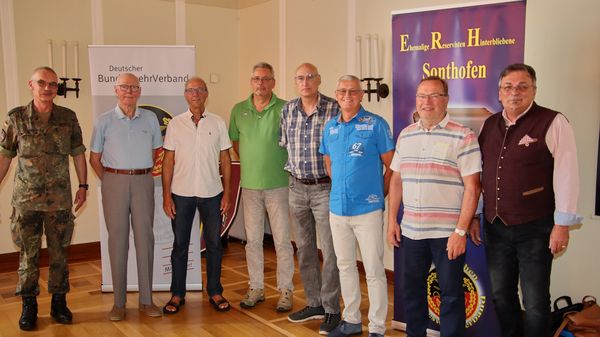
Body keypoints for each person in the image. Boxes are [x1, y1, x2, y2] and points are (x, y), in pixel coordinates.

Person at [471, 63, 581, 337]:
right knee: (500, 295)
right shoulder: (488, 124)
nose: (515, 92)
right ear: (499, 93)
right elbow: (483, 173)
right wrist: (476, 214)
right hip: (496, 227)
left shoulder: (553, 121)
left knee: (534, 301)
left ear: (534, 90)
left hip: (536, 227)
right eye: (508, 87)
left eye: (522, 86)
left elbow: (567, 173)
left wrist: (562, 224)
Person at [387, 76, 482, 337]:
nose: (426, 102)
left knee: (451, 296)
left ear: (446, 100)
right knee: (411, 292)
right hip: (411, 232)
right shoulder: (406, 135)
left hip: (447, 234)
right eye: (421, 96)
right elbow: (396, 179)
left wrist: (460, 232)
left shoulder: (463, 136)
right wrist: (392, 221)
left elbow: (473, 188)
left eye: (433, 95)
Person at [0, 66, 87, 330]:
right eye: (42, 83)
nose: (47, 88)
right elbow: (5, 155)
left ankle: (59, 303)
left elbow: (78, 153)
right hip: (26, 203)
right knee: (28, 256)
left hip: (59, 202)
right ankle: (29, 305)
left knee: (60, 255)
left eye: (52, 84)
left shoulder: (68, 117)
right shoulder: (16, 118)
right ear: (31, 84)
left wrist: (83, 186)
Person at [319, 75, 395, 337]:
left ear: (361, 95)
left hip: (368, 210)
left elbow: (392, 166)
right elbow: (329, 164)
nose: (347, 95)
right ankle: (351, 321)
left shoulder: (376, 125)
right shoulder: (330, 128)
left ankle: (376, 327)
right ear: (336, 94)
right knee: (345, 266)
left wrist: (378, 194)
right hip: (337, 209)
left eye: (352, 91)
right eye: (342, 91)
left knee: (374, 270)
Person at [89, 73, 163, 321]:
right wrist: (110, 180)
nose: (129, 91)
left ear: (139, 91)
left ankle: (146, 300)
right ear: (116, 90)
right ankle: (118, 303)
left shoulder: (150, 119)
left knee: (145, 239)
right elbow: (94, 158)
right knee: (117, 241)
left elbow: (157, 151)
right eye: (124, 87)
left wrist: (139, 172)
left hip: (143, 180)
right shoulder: (103, 121)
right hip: (114, 182)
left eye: (133, 87)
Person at [279, 63, 341, 334]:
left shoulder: (334, 109)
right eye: (300, 78)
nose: (305, 82)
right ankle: (314, 302)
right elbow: (286, 147)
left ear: (318, 80)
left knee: (329, 251)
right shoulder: (287, 110)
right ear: (295, 82)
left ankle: (331, 309)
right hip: (296, 189)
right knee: (304, 250)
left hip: (325, 189)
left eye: (309, 77)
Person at [161, 77, 232, 314]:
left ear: (206, 93)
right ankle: (177, 294)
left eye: (200, 90)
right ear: (185, 95)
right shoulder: (175, 124)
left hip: (212, 194)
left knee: (214, 245)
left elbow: (225, 159)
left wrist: (227, 194)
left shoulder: (218, 122)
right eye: (191, 90)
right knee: (180, 245)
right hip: (180, 195)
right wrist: (166, 196)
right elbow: (168, 162)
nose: (195, 94)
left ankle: (215, 291)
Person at [229, 62, 295, 312]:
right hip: (250, 187)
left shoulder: (286, 108)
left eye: (266, 79)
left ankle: (286, 290)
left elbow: (293, 143)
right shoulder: (238, 110)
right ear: (251, 81)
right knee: (253, 241)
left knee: (282, 241)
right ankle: (256, 287)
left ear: (273, 83)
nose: (261, 84)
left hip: (279, 185)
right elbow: (236, 143)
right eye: (257, 79)